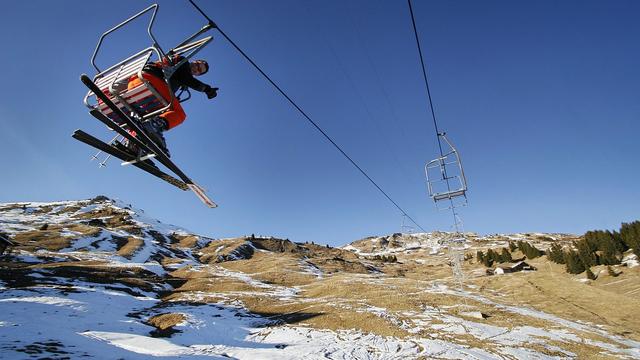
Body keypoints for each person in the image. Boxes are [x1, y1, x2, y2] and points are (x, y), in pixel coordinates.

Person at [125, 55, 218, 156]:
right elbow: (186, 78)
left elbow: (183, 78)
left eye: (199, 70)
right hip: (150, 81)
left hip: (136, 84)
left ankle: (135, 144)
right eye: (197, 64)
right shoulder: (182, 62)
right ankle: (153, 127)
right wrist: (207, 89)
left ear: (198, 74)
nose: (196, 68)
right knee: (179, 114)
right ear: (194, 61)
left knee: (155, 114)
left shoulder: (178, 71)